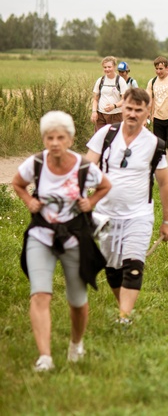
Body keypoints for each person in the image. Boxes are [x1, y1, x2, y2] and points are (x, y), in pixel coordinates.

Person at [12, 111, 111, 371]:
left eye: (60, 137)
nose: (54, 142)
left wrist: (89, 202)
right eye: (49, 137)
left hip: (74, 237)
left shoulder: (82, 167)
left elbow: (105, 185)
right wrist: (29, 201)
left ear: (69, 139)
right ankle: (45, 357)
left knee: (77, 301)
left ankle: (76, 344)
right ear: (44, 139)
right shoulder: (35, 164)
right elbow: (18, 183)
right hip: (41, 235)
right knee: (40, 295)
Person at [85, 88, 168, 324]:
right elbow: (85, 170)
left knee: (133, 266)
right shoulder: (105, 135)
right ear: (122, 107)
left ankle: (124, 319)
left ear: (147, 113)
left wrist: (167, 222)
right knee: (113, 271)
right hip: (105, 215)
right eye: (129, 108)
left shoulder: (155, 144)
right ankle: (124, 309)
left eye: (138, 110)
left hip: (139, 215)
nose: (132, 114)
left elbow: (165, 184)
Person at [91, 56, 127, 131]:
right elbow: (95, 99)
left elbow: (125, 100)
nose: (107, 69)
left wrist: (114, 106)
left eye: (109, 67)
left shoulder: (120, 81)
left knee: (113, 139)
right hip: (101, 115)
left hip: (116, 115)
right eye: (105, 67)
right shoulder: (100, 80)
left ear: (114, 67)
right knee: (100, 138)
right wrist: (94, 112)